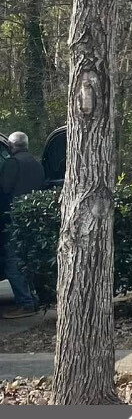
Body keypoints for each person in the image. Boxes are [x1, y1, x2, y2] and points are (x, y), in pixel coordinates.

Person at [1, 132, 45, 316]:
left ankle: (25, 303)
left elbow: (4, 188)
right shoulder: (36, 163)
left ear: (11, 147)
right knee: (28, 260)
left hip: (14, 220)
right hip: (31, 219)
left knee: (12, 262)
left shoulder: (13, 163)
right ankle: (36, 298)